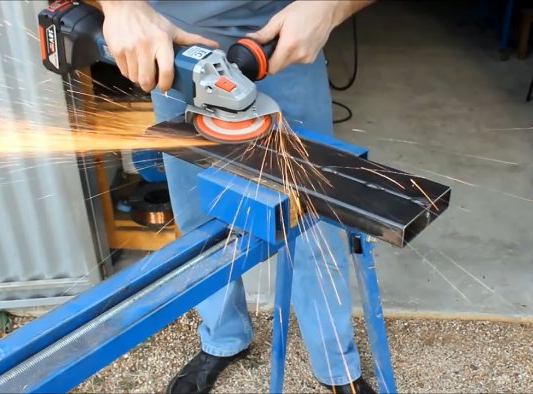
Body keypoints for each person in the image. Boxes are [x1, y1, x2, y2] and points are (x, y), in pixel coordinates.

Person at [99, 1, 375, 393]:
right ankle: (223, 337)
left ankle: (335, 364)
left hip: (280, 39)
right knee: (198, 217)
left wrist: (329, 7)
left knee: (312, 216)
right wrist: (122, 7)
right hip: (175, 44)